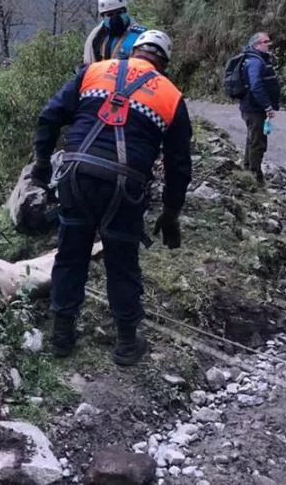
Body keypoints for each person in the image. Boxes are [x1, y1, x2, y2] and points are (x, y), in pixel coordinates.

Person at [31, 30, 193, 366]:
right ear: (163, 62)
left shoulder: (93, 71)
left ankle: (62, 335)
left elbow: (49, 116)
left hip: (76, 177)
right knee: (122, 261)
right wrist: (171, 213)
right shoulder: (171, 95)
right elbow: (179, 164)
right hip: (125, 188)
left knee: (70, 254)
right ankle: (126, 343)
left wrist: (42, 165)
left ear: (133, 51)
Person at [238, 32, 281, 185]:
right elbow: (256, 86)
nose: (269, 44)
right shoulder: (255, 62)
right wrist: (267, 106)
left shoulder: (255, 59)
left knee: (252, 139)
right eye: (266, 41)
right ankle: (255, 178)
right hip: (254, 108)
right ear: (257, 45)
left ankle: (248, 170)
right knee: (258, 142)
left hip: (251, 107)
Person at [82, 0, 149, 64]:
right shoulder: (96, 37)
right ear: (103, 16)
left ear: (126, 11)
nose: (115, 17)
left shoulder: (141, 36)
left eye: (119, 12)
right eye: (109, 14)